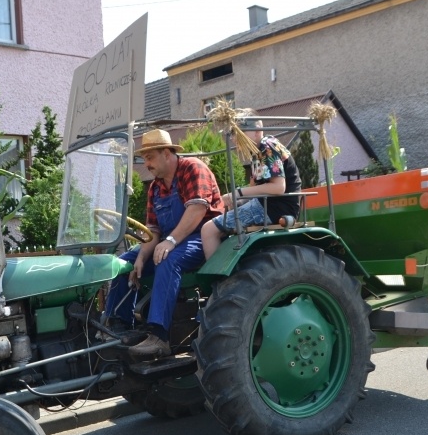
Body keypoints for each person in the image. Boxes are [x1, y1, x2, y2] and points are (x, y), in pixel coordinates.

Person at [103, 129, 224, 358]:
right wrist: (140, 257)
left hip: (202, 235)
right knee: (122, 263)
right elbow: (154, 231)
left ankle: (159, 336)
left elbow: (197, 210)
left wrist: (170, 241)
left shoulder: (192, 168)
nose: (146, 164)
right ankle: (118, 327)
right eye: (144, 158)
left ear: (167, 153)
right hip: (171, 240)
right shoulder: (155, 187)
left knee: (168, 260)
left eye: (150, 157)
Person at [201, 118, 302, 259]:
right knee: (230, 210)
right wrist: (235, 199)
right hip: (267, 204)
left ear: (257, 132)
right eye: (234, 134)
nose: (235, 138)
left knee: (208, 230)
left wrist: (238, 193)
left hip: (275, 208)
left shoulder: (268, 147)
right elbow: (255, 187)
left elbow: (279, 187)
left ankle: (217, 279)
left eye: (240, 133)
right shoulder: (257, 153)